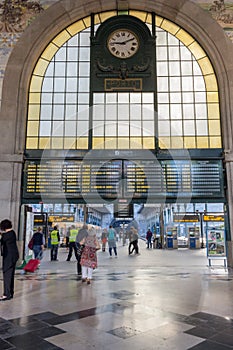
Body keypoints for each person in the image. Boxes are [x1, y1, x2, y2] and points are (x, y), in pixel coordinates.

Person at [0, 219, 19, 301]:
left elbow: (2, 240)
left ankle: (6, 294)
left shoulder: (7, 235)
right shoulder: (12, 233)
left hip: (9, 257)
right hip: (13, 257)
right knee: (10, 275)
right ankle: (10, 293)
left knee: (7, 275)